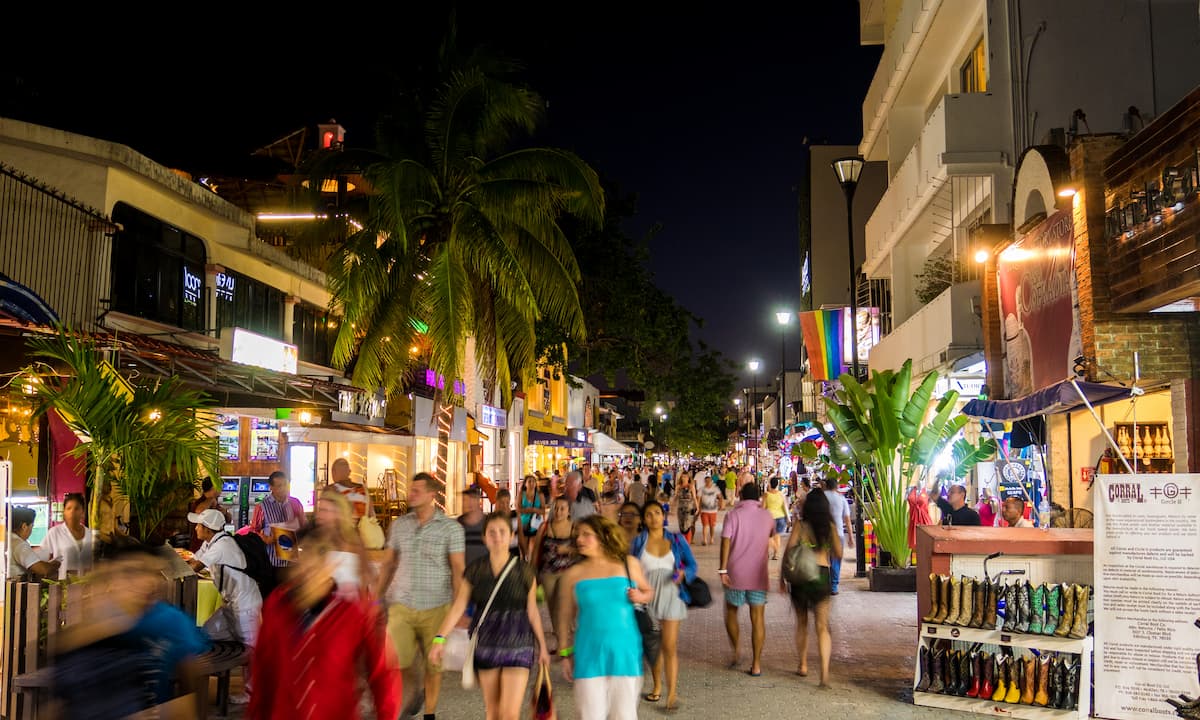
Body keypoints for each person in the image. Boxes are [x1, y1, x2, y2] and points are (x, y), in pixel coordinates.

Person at [248, 532, 402, 720]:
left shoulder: (353, 611)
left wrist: (387, 715)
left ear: (332, 565)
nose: (310, 569)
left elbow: (382, 673)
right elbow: (264, 669)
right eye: (305, 555)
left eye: (319, 557)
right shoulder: (277, 606)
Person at [47, 545, 210, 719]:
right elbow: (61, 703)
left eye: (154, 573)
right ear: (109, 578)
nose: (148, 581)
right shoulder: (86, 635)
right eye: (132, 572)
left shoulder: (173, 622)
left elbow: (193, 684)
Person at [430, 513, 551, 720]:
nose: (497, 537)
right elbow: (459, 606)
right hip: (487, 644)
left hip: (518, 644)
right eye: (491, 532)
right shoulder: (475, 570)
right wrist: (439, 638)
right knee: (493, 711)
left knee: (510, 713)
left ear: (512, 536)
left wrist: (543, 647)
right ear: (484, 538)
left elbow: (532, 610)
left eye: (502, 532)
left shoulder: (524, 570)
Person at [381, 472, 466, 720]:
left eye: (417, 490)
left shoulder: (451, 528)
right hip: (401, 604)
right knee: (396, 662)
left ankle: (429, 712)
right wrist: (375, 598)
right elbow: (388, 564)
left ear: (431, 495)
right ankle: (411, 691)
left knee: (433, 665)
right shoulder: (400, 525)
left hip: (436, 605)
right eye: (411, 489)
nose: (412, 494)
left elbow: (458, 570)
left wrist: (458, 609)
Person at [557, 515, 654, 720]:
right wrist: (565, 654)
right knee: (589, 715)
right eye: (577, 535)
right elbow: (564, 618)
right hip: (588, 652)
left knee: (625, 715)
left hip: (625, 651)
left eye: (586, 535)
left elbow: (648, 591)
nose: (579, 540)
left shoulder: (628, 563)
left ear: (603, 536)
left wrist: (641, 596)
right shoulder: (573, 574)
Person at [187, 508, 263, 704]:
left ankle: (252, 693)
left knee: (251, 649)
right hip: (230, 604)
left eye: (199, 525)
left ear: (208, 529)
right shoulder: (211, 542)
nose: (196, 528)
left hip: (246, 604)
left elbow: (195, 567)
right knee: (206, 633)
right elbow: (193, 559)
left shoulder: (222, 545)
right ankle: (213, 674)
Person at [630, 502, 698, 711]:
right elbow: (630, 569)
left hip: (671, 596)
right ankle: (657, 684)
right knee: (652, 646)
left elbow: (692, 564)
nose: (653, 517)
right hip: (647, 598)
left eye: (657, 513)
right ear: (643, 519)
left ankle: (672, 694)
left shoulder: (676, 540)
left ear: (664, 516)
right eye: (648, 514)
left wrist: (684, 573)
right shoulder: (638, 542)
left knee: (669, 646)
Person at [780, 489, 842, 687]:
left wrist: (782, 577)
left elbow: (789, 549)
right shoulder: (830, 527)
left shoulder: (800, 525)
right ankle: (824, 674)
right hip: (821, 577)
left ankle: (803, 664)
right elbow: (839, 553)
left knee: (802, 624)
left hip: (800, 578)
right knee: (823, 627)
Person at [719, 483, 775, 677]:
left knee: (731, 612)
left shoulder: (733, 515)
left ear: (741, 496)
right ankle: (757, 664)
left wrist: (722, 569)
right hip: (759, 574)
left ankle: (736, 651)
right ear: (759, 496)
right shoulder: (767, 516)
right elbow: (772, 537)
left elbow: (725, 542)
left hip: (735, 573)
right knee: (758, 618)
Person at [532, 497, 576, 651]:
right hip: (547, 573)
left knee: (564, 607)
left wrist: (567, 550)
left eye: (562, 508)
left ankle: (568, 639)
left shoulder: (574, 528)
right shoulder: (544, 527)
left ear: (569, 511)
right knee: (553, 608)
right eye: (556, 508)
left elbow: (582, 549)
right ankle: (562, 644)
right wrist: (533, 572)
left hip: (568, 574)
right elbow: (536, 549)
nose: (558, 512)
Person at [247, 471, 305, 580]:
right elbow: (253, 531)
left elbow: (303, 526)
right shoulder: (262, 506)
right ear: (271, 487)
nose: (283, 488)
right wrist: (265, 538)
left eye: (285, 485)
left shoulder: (295, 503)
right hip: (271, 561)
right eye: (279, 486)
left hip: (292, 562)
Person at [315, 488, 371, 599]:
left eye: (324, 510)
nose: (319, 515)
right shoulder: (318, 538)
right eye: (319, 510)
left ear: (338, 513)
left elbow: (366, 575)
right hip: (327, 605)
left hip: (351, 608)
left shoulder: (354, 540)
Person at [41, 493, 93, 579]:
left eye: (76, 508)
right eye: (69, 508)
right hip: (63, 586)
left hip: (87, 585)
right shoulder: (54, 533)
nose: (72, 512)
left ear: (83, 512)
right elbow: (42, 558)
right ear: (64, 512)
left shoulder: (90, 534)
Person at [821, 476, 854, 594]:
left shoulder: (822, 498)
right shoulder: (841, 499)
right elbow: (847, 519)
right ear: (836, 487)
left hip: (823, 533)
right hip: (838, 533)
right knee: (835, 560)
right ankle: (834, 586)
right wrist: (850, 537)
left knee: (823, 559)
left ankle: (824, 584)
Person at [9, 506, 60, 580]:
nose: (31, 531)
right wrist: (56, 563)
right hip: (14, 588)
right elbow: (43, 570)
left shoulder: (7, 539)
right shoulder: (19, 544)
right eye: (31, 526)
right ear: (24, 526)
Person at [189, 479, 231, 551]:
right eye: (220, 487)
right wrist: (211, 499)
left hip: (214, 544)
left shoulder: (216, 503)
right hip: (200, 544)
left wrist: (225, 512)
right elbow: (199, 512)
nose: (221, 489)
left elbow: (228, 520)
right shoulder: (200, 503)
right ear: (213, 487)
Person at [517, 476, 545, 561]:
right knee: (523, 551)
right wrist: (531, 510)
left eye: (533, 481)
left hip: (536, 525)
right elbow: (518, 509)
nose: (532, 483)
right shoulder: (522, 494)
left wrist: (534, 510)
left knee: (533, 550)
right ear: (525, 484)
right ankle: (523, 567)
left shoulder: (540, 495)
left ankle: (531, 569)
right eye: (529, 481)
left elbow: (543, 510)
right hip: (523, 524)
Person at [459, 484, 488, 568]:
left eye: (472, 498)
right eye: (465, 500)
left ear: (478, 500)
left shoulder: (489, 523)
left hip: (485, 574)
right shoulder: (458, 525)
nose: (469, 503)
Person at [763, 478, 788, 560]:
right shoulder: (781, 494)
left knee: (768, 537)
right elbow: (785, 506)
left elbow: (763, 507)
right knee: (777, 536)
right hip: (781, 518)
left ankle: (773, 551)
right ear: (777, 484)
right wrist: (788, 518)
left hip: (769, 518)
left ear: (770, 484)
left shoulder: (766, 494)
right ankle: (776, 554)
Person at [673, 473, 699, 544]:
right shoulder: (678, 486)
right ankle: (682, 541)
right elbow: (675, 497)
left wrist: (697, 507)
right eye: (683, 477)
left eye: (686, 477)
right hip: (681, 508)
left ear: (688, 478)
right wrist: (672, 505)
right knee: (681, 525)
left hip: (689, 508)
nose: (684, 478)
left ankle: (687, 542)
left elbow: (694, 497)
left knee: (687, 525)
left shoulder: (691, 486)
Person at [698, 475, 724, 546]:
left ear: (711, 481)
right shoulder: (701, 489)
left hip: (713, 510)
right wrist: (698, 508)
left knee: (712, 526)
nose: (708, 482)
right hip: (704, 510)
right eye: (706, 481)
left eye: (709, 481)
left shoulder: (715, 489)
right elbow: (698, 499)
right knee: (705, 525)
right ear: (704, 482)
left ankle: (712, 538)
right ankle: (705, 539)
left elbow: (720, 497)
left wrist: (721, 504)